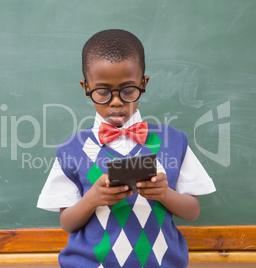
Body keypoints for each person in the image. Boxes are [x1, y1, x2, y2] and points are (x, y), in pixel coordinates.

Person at [37, 29, 216, 268]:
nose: (116, 101)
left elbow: (192, 211)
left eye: (128, 90)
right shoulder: (72, 149)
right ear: (86, 87)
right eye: (103, 91)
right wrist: (92, 200)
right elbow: (67, 223)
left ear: (143, 83)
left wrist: (164, 193)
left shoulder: (173, 141)